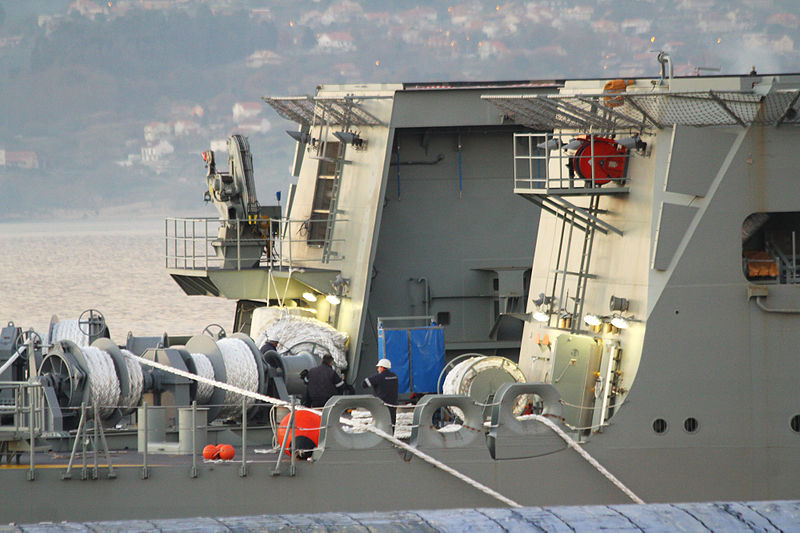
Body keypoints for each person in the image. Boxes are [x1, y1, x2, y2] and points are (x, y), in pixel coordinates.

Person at [361, 358, 399, 426]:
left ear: (382, 367)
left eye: (378, 367)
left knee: (381, 424)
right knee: (391, 423)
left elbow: (364, 384)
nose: (378, 369)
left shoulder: (379, 377)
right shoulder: (394, 376)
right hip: (393, 404)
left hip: (381, 405)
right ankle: (391, 435)